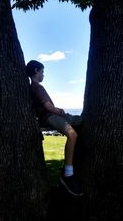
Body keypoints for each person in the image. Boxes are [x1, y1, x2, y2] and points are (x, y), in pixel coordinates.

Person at [26, 60, 83, 196]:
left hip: (49, 116)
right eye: (42, 72)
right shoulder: (38, 87)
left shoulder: (33, 87)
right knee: (72, 134)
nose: (43, 75)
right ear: (36, 71)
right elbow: (48, 107)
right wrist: (60, 111)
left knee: (80, 122)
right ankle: (67, 175)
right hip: (50, 116)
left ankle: (69, 164)